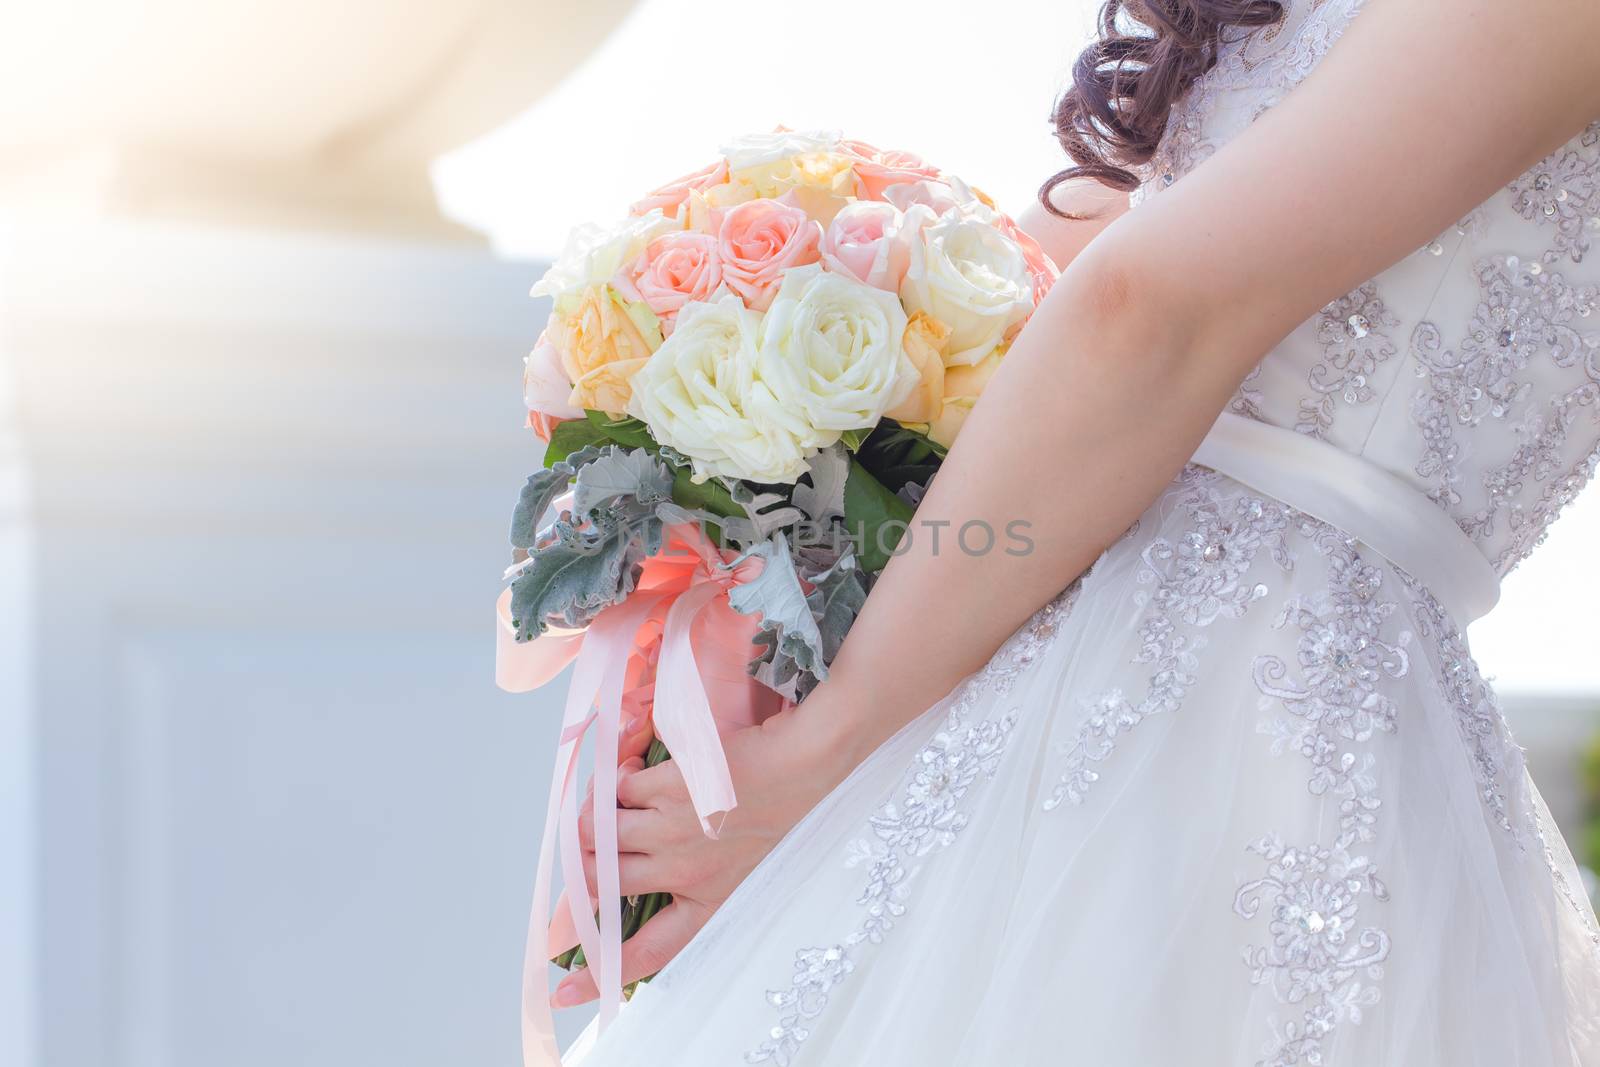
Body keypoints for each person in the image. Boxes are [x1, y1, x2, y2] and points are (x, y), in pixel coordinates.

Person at [552, 0, 1600, 1062]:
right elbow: (1052, 293)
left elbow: (1144, 311)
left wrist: (833, 745)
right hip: (1086, 640)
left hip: (1228, 692)